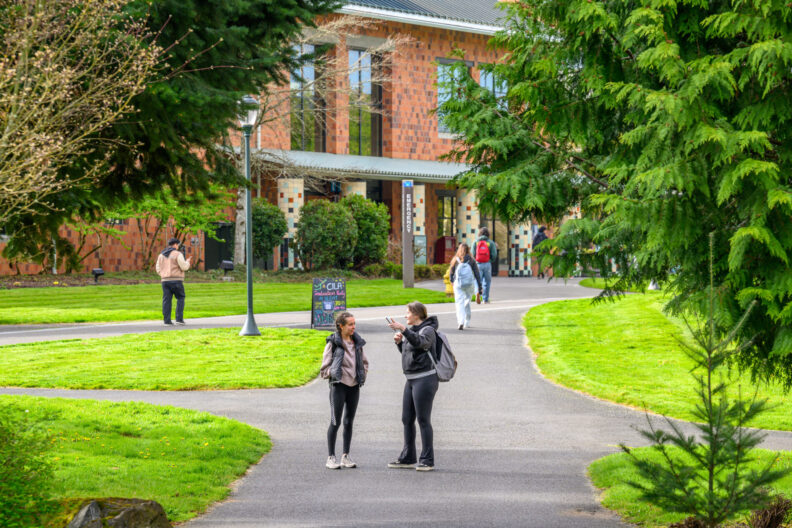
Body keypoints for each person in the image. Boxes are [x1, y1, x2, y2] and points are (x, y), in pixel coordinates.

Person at [387, 301, 439, 471]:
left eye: (407, 312)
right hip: (411, 379)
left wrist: (404, 330)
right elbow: (411, 354)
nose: (405, 315)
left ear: (416, 314)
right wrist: (399, 344)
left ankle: (427, 460)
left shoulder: (428, 330)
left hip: (425, 378)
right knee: (406, 419)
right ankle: (408, 457)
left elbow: (422, 343)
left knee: (423, 419)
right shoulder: (413, 332)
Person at [319, 311, 369, 470]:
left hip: (354, 386)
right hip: (338, 386)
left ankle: (345, 456)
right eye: (350, 324)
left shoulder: (357, 342)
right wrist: (332, 374)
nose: (353, 327)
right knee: (335, 421)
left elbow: (364, 362)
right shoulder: (333, 343)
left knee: (349, 421)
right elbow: (324, 368)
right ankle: (331, 457)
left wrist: (363, 373)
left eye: (354, 324)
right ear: (341, 326)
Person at [155, 238, 191, 325]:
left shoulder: (161, 255)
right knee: (180, 298)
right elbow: (184, 267)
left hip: (165, 281)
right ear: (175, 244)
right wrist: (188, 262)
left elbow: (157, 268)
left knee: (167, 300)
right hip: (176, 280)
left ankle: (167, 321)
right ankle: (179, 319)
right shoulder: (178, 254)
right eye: (178, 244)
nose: (178, 246)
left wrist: (163, 274)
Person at [449, 243, 482, 330]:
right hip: (469, 284)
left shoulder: (455, 260)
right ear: (468, 250)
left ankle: (461, 321)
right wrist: (480, 287)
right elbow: (477, 274)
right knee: (467, 302)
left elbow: (451, 272)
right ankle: (467, 322)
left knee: (459, 302)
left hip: (458, 284)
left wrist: (452, 281)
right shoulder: (471, 260)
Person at [473, 227, 498, 303]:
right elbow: (494, 255)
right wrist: (490, 260)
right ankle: (485, 299)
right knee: (487, 282)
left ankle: (478, 293)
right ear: (488, 234)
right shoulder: (490, 243)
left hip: (478, 264)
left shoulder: (476, 242)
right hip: (487, 264)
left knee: (477, 280)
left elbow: (472, 254)